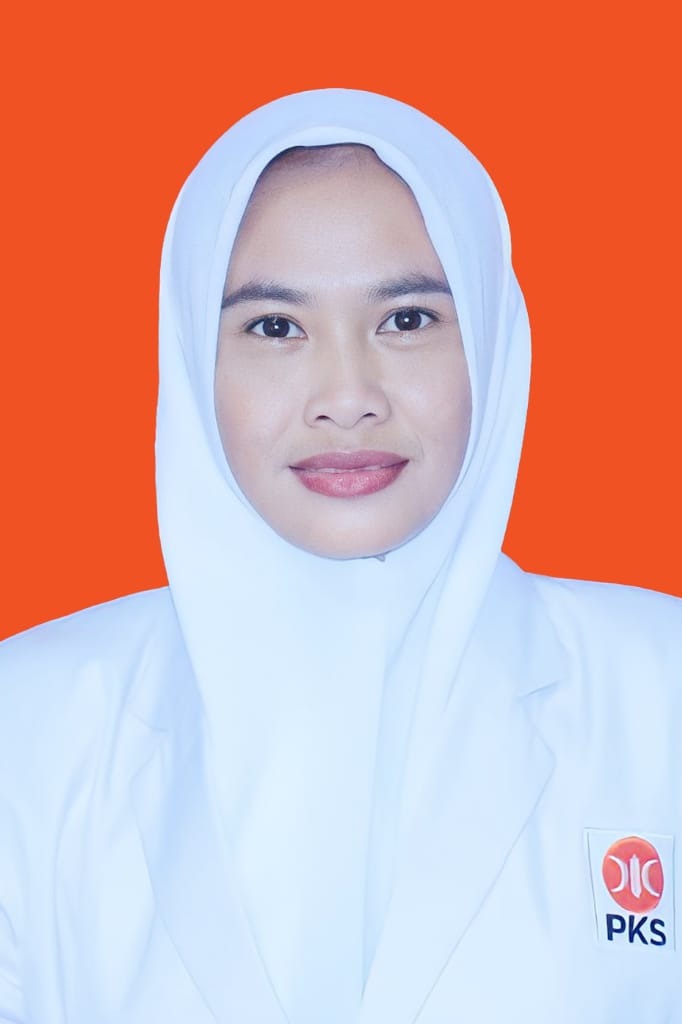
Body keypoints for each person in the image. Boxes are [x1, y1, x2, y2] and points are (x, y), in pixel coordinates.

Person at [0, 88, 680, 1024]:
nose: (349, 395)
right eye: (275, 328)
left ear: (491, 337)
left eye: (407, 319)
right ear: (192, 357)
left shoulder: (661, 690)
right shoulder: (28, 723)